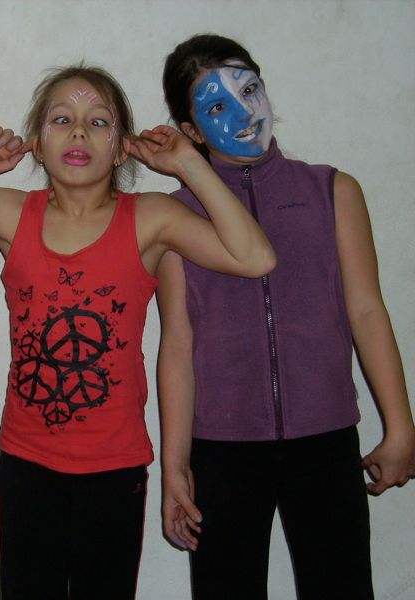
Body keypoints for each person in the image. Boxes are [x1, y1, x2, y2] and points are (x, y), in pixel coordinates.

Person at [0, 64, 274, 599]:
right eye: (62, 120)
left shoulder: (151, 217)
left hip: (116, 467)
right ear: (39, 145)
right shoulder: (9, 212)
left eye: (98, 122)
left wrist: (188, 164)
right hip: (26, 463)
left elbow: (254, 258)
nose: (79, 133)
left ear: (122, 149)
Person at [156, 34, 415, 600]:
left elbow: (367, 309)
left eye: (249, 89)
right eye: (217, 105)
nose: (244, 112)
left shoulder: (332, 190)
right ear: (192, 131)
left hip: (326, 437)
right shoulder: (174, 216)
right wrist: (175, 464)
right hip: (222, 446)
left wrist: (400, 426)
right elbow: (177, 342)